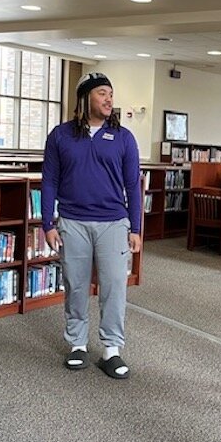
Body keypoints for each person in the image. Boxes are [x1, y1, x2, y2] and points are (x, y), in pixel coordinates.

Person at [41, 72, 142, 380]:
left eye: (111, 93)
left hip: (113, 223)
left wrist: (135, 228)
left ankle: (111, 349)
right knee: (76, 284)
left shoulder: (124, 137)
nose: (109, 99)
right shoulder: (60, 135)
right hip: (73, 221)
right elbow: (50, 181)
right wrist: (48, 222)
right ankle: (78, 344)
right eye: (102, 93)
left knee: (113, 286)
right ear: (85, 98)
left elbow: (132, 185)